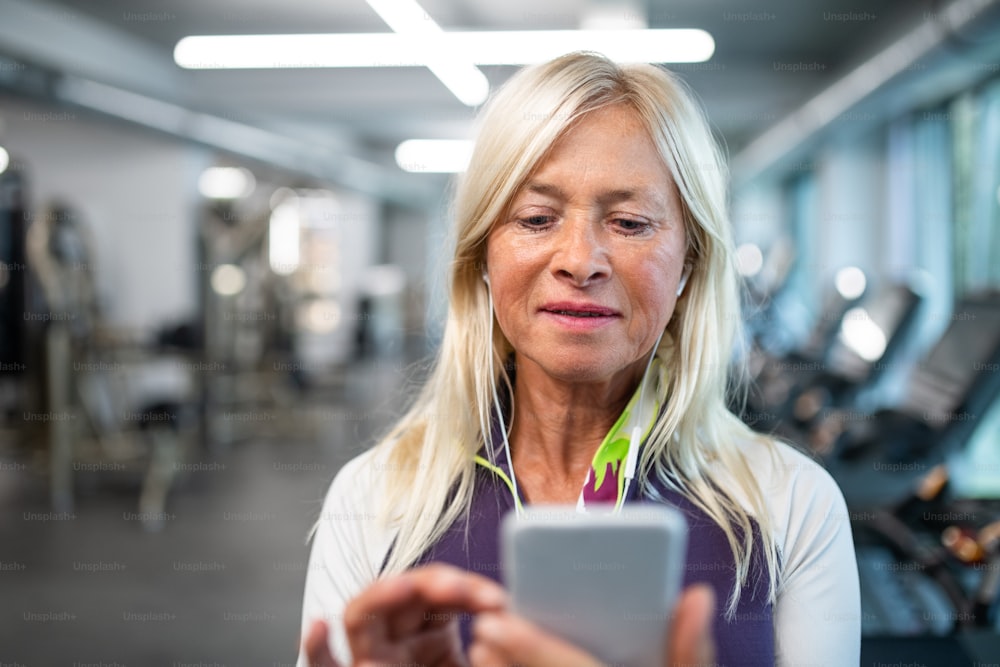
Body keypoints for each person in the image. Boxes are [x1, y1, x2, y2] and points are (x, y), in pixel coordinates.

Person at [296, 51, 860, 666]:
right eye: (536, 218)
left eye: (629, 222)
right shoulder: (373, 500)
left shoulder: (792, 506)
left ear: (690, 262)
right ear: (482, 255)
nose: (579, 260)